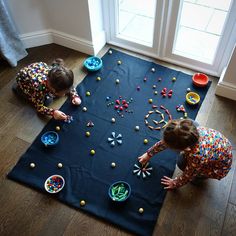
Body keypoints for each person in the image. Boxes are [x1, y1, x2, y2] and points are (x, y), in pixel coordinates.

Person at [138, 119, 233, 190]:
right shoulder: (189, 128)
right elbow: (167, 140)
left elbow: (188, 175)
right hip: (219, 145)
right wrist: (149, 154)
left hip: (217, 167)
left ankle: (200, 178)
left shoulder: (196, 157)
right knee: (193, 123)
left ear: (186, 149)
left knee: (181, 162)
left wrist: (175, 183)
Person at [13, 58, 81, 120]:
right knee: (47, 101)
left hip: (37, 69)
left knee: (51, 96)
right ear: (54, 90)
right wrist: (53, 113)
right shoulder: (39, 88)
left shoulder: (54, 74)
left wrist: (75, 96)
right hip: (23, 79)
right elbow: (39, 107)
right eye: (64, 92)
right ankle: (18, 89)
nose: (65, 93)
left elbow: (69, 86)